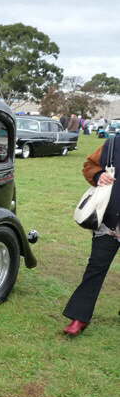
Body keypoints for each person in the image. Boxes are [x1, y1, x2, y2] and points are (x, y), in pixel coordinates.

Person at [62, 134, 120, 335]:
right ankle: (79, 317)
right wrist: (98, 176)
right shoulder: (113, 143)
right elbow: (89, 166)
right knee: (95, 268)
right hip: (109, 221)